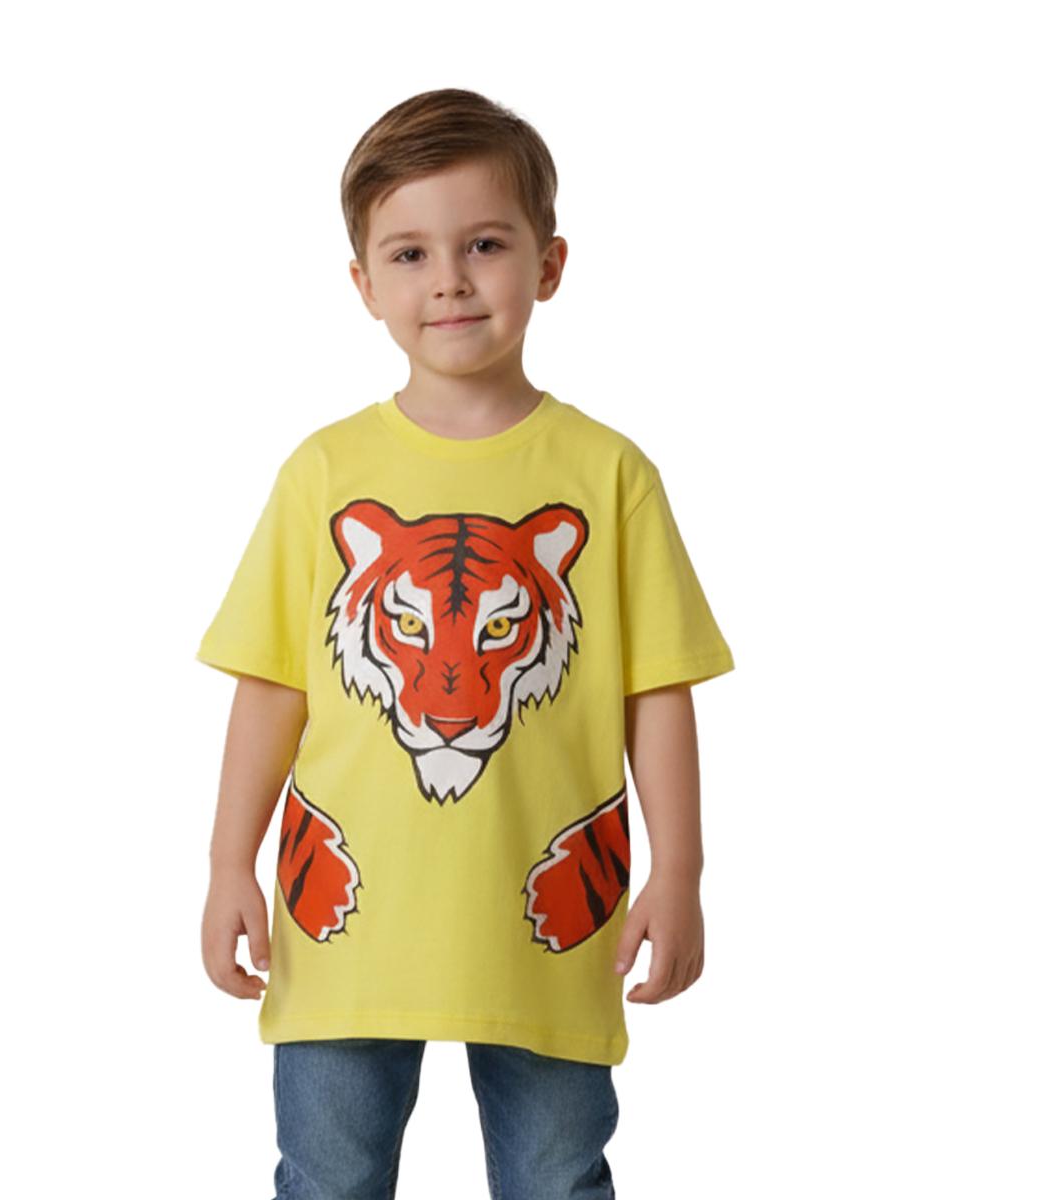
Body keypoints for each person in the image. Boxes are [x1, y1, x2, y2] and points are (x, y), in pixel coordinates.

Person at [197, 87, 735, 1200]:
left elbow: (658, 691)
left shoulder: (609, 474)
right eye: (410, 253)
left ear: (549, 264)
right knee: (327, 1178)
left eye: (484, 244)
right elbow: (273, 685)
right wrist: (225, 865)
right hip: (342, 921)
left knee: (557, 1178)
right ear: (365, 285)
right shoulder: (323, 473)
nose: (448, 279)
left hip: (551, 919)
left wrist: (679, 872)